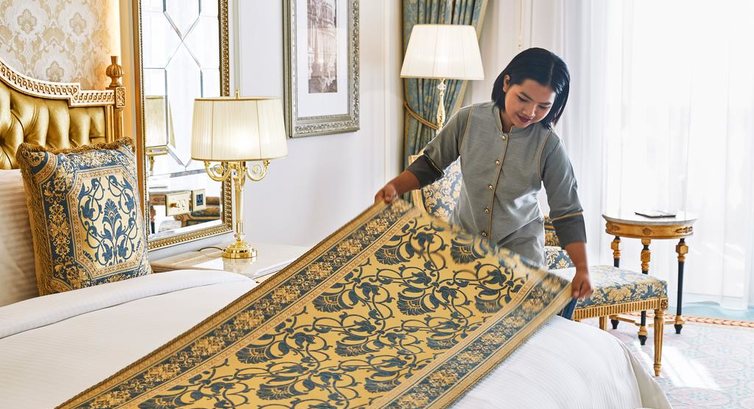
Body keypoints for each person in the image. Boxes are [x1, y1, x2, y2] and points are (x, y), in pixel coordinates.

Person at [375, 47, 592, 300]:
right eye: (523, 99)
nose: (530, 112)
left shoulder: (550, 145)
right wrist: (395, 187)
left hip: (521, 258)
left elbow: (567, 212)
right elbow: (430, 164)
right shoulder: (468, 119)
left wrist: (582, 269)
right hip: (462, 246)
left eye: (543, 106)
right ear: (506, 83)